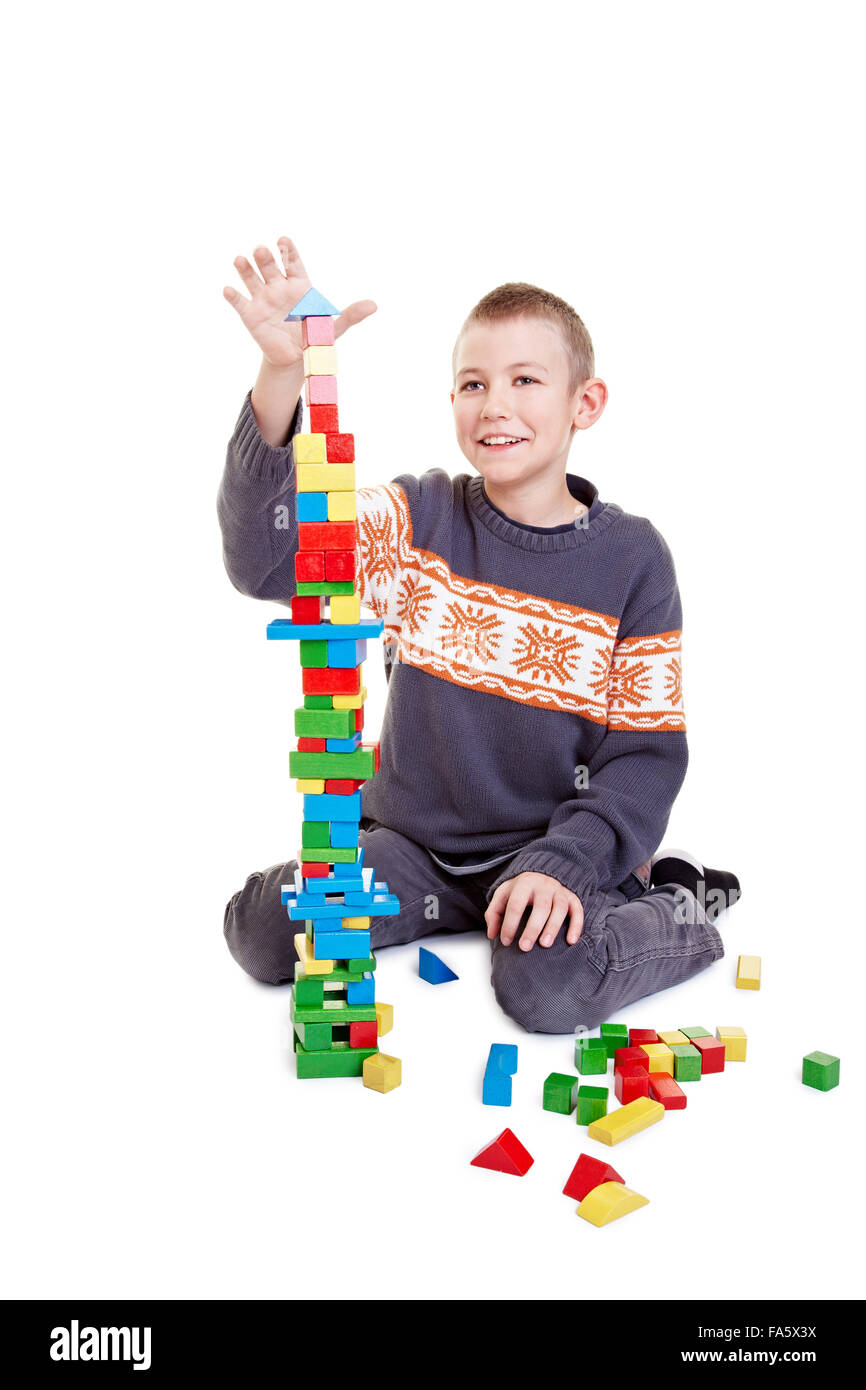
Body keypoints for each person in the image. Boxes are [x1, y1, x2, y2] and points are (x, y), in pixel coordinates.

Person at [217, 236, 740, 1033]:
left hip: (547, 851)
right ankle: (456, 905)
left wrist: (569, 861)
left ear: (585, 403)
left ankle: (675, 900)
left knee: (549, 989)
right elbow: (270, 562)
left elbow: (645, 755)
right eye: (472, 383)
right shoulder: (416, 518)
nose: (494, 404)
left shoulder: (634, 560)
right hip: (409, 847)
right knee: (263, 932)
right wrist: (283, 374)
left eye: (525, 380)